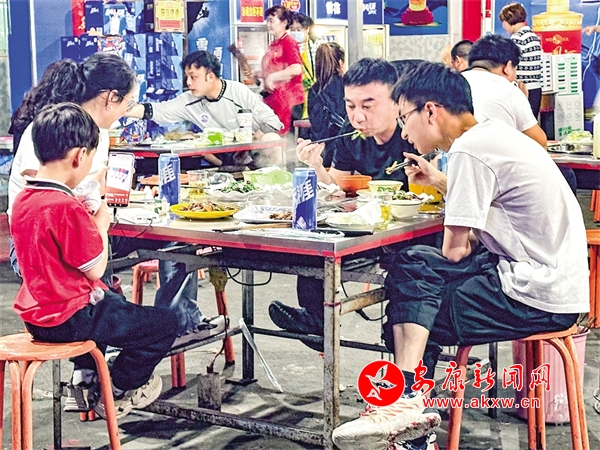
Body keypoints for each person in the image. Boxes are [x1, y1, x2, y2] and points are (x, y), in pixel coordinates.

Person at [332, 61, 588, 450]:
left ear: (430, 111)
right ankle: (408, 413)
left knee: (413, 300)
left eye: (405, 118)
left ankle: (405, 409)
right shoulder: (491, 136)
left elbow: (454, 252)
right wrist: (438, 181)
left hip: (536, 296)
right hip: (551, 282)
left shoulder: (469, 150)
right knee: (414, 272)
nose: (404, 131)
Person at [7, 53, 218, 369]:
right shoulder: (60, 131)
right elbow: (62, 202)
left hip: (58, 251)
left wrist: (102, 200)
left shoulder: (91, 131)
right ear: (110, 98)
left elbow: (87, 189)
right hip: (40, 248)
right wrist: (99, 220)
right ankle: (94, 370)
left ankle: (175, 323)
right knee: (99, 277)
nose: (127, 111)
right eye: (128, 103)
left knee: (173, 241)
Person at [10, 103, 178, 420]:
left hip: (37, 316)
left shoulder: (23, 200)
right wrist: (100, 223)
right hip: (69, 318)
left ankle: (84, 380)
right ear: (79, 156)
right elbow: (95, 267)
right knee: (165, 323)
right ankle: (118, 388)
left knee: (111, 299)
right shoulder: (64, 206)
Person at [269, 58, 421, 341]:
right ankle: (317, 321)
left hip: (407, 236)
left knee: (411, 271)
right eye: (350, 106)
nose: (357, 117)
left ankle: (402, 337)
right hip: (361, 231)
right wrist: (316, 166)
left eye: (367, 106)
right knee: (314, 246)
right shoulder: (350, 137)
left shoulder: (414, 136)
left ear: (396, 103)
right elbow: (336, 188)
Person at [127, 50, 284, 168]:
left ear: (210, 76)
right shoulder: (189, 99)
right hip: (224, 158)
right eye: (187, 77)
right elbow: (157, 111)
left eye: (193, 77)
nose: (188, 82)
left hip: (255, 153)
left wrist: (252, 140)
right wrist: (123, 108)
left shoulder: (238, 92)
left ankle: (274, 183)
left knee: (271, 139)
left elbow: (273, 122)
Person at [463, 34, 547, 148]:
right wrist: (522, 101)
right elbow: (539, 142)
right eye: (515, 69)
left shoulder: (454, 82)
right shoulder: (509, 89)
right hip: (495, 157)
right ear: (507, 67)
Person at [252, 5, 304, 135]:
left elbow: (296, 68)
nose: (268, 24)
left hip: (288, 102)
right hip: (275, 101)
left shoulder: (289, 42)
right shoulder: (274, 44)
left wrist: (271, 77)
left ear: (284, 22)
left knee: (282, 139)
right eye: (267, 21)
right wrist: (259, 74)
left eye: (271, 21)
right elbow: (275, 69)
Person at [499, 2, 543, 117]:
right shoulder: (533, 36)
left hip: (522, 88)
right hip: (536, 88)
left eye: (503, 22)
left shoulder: (517, 38)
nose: (503, 26)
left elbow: (510, 65)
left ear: (509, 19)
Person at [307, 42, 346, 168]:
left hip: (320, 153)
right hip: (345, 152)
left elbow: (315, 124)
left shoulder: (314, 91)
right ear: (340, 62)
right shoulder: (349, 86)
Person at [290, 12, 321, 122]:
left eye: (299, 29)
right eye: (292, 29)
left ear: (307, 29)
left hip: (315, 94)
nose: (295, 33)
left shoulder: (317, 46)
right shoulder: (287, 47)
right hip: (293, 97)